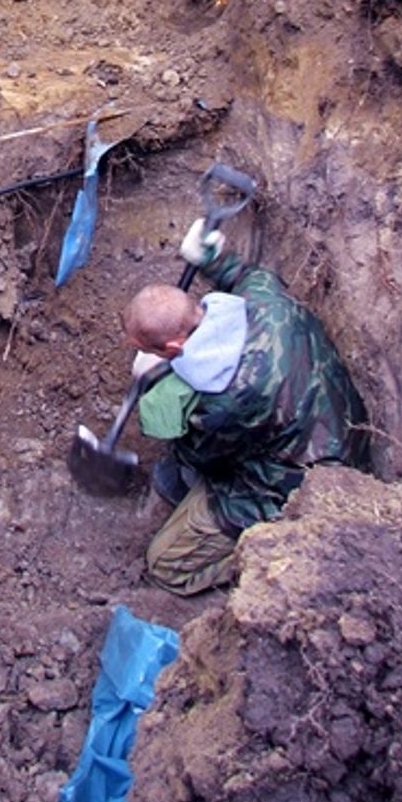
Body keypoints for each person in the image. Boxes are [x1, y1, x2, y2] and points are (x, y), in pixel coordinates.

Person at [123, 219, 370, 596]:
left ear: (172, 349)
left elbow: (200, 457)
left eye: (149, 349)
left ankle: (268, 556)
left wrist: (157, 386)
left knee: (164, 565)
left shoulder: (226, 401)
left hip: (304, 484)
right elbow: (246, 275)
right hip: (342, 427)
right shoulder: (264, 297)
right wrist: (214, 258)